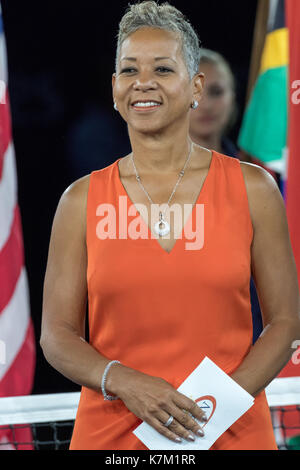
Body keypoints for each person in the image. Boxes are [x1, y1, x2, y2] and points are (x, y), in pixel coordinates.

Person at [40, 1, 300, 450]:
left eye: (163, 68)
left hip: (227, 429)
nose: (143, 82)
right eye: (128, 70)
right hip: (113, 437)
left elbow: (285, 321)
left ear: (195, 85)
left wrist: (214, 409)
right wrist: (125, 382)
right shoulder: (79, 200)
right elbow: (57, 336)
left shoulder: (254, 188)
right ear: (115, 87)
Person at [189, 48, 263, 344]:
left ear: (233, 99)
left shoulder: (261, 178)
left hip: (254, 337)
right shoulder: (141, 182)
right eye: (197, 92)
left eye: (217, 91)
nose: (206, 104)